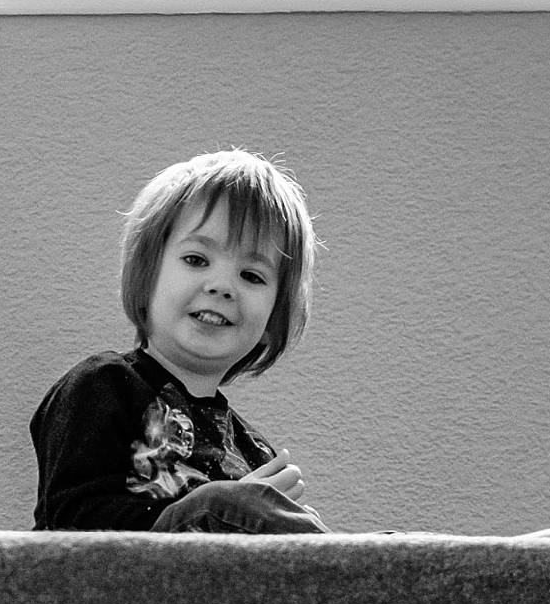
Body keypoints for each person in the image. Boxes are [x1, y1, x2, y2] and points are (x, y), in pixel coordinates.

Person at [30, 148, 332, 535]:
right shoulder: (101, 386)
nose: (222, 286)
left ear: (274, 319)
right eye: (196, 260)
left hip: (224, 596)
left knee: (394, 548)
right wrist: (221, 511)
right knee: (229, 504)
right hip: (113, 587)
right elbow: (69, 526)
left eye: (252, 276)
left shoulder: (254, 452)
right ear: (147, 273)